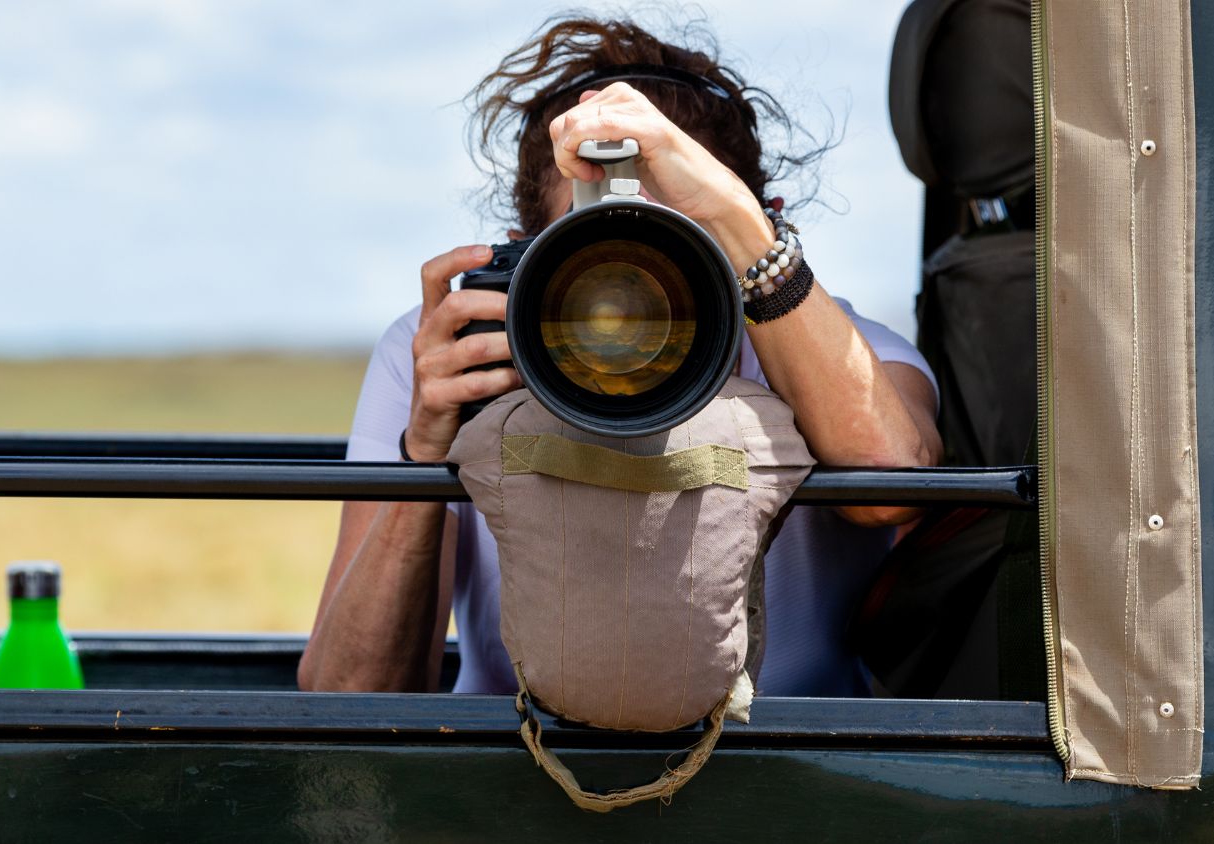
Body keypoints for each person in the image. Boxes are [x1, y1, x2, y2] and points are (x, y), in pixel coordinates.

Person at [298, 16, 942, 698]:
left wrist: (753, 251)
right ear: (526, 259)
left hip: (786, 772)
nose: (633, 304)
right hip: (507, 770)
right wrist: (424, 450)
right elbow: (353, 689)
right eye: (592, 255)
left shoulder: (841, 351)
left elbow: (888, 483)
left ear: (761, 226)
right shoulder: (446, 351)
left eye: (682, 244)